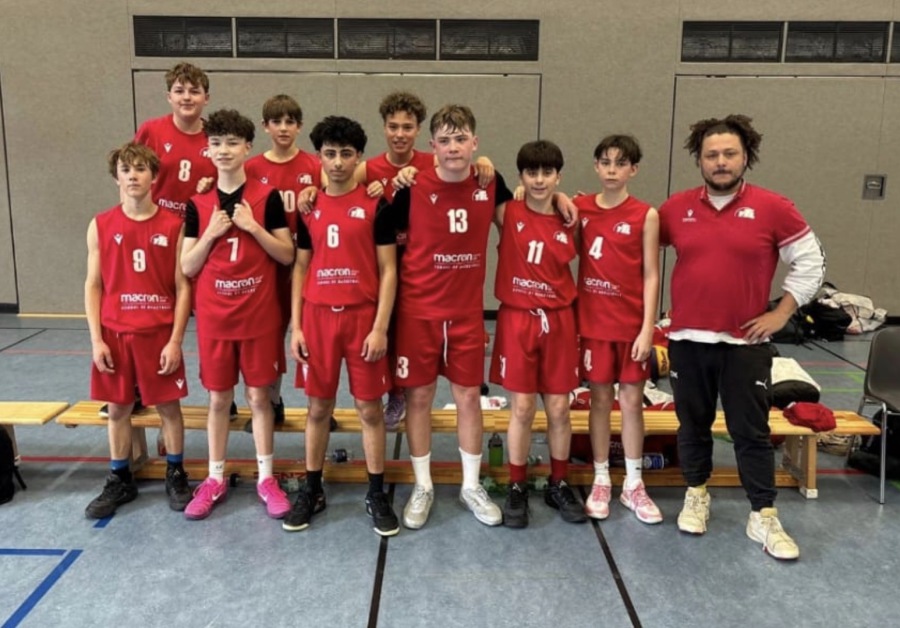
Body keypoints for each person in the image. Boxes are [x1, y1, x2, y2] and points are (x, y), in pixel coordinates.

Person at [658, 114, 825, 560]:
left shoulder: (774, 207)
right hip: (687, 340)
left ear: (745, 157)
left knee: (750, 431)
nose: (720, 162)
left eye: (729, 153)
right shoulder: (675, 209)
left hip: (744, 345)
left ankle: (763, 514)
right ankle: (697, 492)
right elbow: (635, 246)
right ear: (699, 160)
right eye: (711, 155)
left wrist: (781, 313)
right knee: (692, 424)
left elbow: (812, 261)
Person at [390, 104, 512, 529]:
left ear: (475, 142)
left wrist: (562, 199)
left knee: (468, 398)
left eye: (461, 139)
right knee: (419, 399)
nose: (454, 147)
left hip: (465, 315)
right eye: (445, 140)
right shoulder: (411, 187)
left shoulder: (491, 183)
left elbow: (523, 221)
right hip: (418, 313)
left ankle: (471, 486)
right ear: (432, 146)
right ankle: (423, 485)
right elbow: (381, 242)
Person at [283, 116, 399, 536]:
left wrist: (380, 327)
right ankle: (312, 489)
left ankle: (376, 492)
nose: (337, 162)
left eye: (345, 154)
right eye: (329, 154)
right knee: (318, 409)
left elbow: (389, 270)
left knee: (370, 409)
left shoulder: (376, 205)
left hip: (362, 319)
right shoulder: (308, 206)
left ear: (358, 157)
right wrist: (296, 327)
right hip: (317, 320)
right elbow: (300, 268)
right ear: (319, 156)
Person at [180, 109, 295, 520]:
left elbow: (287, 254)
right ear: (207, 149)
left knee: (259, 397)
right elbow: (187, 266)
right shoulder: (198, 203)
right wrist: (210, 234)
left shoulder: (267, 197)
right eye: (216, 143)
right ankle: (214, 478)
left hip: (259, 315)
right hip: (215, 318)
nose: (223, 150)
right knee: (218, 398)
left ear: (248, 147)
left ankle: (266, 478)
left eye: (232, 143)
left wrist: (253, 227)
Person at [355, 91, 495, 429]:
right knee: (383, 331)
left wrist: (485, 161)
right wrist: (312, 191)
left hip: (426, 264)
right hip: (384, 260)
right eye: (393, 126)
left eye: (407, 127)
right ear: (384, 128)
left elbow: (460, 167)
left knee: (411, 334)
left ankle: (405, 390)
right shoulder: (367, 168)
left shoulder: (430, 162)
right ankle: (392, 391)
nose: (400, 133)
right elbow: (337, 190)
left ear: (419, 131)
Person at [84, 142, 191, 519]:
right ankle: (120, 478)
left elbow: (183, 287)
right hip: (115, 333)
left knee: (169, 407)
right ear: (116, 178)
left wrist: (175, 340)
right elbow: (93, 284)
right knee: (118, 408)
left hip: (158, 333)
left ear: (154, 177)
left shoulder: (174, 225)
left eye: (141, 169)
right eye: (126, 170)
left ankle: (175, 473)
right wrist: (96, 340)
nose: (133, 176)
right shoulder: (100, 224)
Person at [489, 140, 586, 528]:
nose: (540, 180)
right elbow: (482, 178)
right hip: (518, 319)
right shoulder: (507, 212)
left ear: (558, 176)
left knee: (559, 409)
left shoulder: (570, 219)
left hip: (559, 321)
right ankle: (516, 485)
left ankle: (558, 482)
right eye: (532, 173)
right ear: (521, 176)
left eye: (548, 173)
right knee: (523, 408)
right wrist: (485, 158)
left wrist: (564, 200)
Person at [575, 135, 663, 525]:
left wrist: (648, 329)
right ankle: (600, 479)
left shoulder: (646, 215)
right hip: (594, 325)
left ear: (633, 169)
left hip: (630, 326)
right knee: (599, 401)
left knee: (630, 402)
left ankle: (633, 483)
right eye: (606, 162)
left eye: (620, 163)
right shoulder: (579, 208)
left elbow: (651, 274)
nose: (612, 170)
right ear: (596, 166)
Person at [244, 94, 322, 426]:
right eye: (276, 122)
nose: (284, 128)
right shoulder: (251, 168)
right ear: (265, 127)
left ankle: (319, 405)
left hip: (308, 263)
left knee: (312, 336)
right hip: (269, 266)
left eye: (290, 121)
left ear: (299, 126)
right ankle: (272, 401)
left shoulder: (314, 166)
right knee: (271, 338)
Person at [134, 62, 217, 220]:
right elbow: (128, 177)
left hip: (198, 225)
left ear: (206, 98)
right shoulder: (151, 130)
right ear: (169, 97)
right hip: (156, 223)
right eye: (179, 91)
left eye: (194, 92)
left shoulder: (217, 138)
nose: (186, 97)